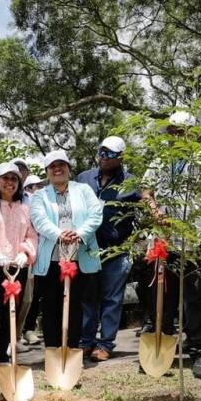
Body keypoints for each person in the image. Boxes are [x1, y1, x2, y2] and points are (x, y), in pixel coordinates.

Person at [142, 112, 201, 379]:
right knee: (162, 299)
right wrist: (155, 212)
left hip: (196, 238)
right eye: (172, 131)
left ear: (193, 132)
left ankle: (200, 353)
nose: (176, 135)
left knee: (197, 299)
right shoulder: (159, 161)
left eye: (181, 130)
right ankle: (163, 350)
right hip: (165, 242)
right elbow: (146, 192)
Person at [30, 150, 102, 354]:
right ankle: (53, 350)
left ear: (69, 169)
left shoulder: (84, 190)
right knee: (51, 304)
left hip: (80, 255)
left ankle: (71, 348)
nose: (57, 169)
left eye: (61, 164)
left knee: (76, 304)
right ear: (47, 172)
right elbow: (39, 220)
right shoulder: (40, 195)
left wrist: (79, 234)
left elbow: (96, 215)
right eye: (52, 166)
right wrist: (60, 235)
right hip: (52, 258)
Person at [78, 136, 141, 362]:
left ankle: (105, 344)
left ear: (121, 157)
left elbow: (144, 210)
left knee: (112, 298)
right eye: (102, 152)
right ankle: (86, 341)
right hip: (88, 249)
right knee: (88, 297)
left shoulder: (131, 184)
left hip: (117, 250)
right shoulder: (84, 178)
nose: (105, 157)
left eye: (111, 153)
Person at [0, 162, 37, 383]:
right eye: (5, 178)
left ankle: (3, 357)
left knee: (12, 313)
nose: (9, 183)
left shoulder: (24, 207)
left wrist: (24, 254)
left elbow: (31, 235)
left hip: (17, 267)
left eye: (14, 179)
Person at [21, 175, 46, 346]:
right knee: (24, 296)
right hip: (24, 254)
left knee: (35, 295)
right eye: (35, 186)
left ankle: (29, 330)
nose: (39, 188)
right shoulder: (24, 202)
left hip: (42, 253)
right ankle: (16, 335)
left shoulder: (43, 202)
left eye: (40, 185)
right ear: (27, 189)